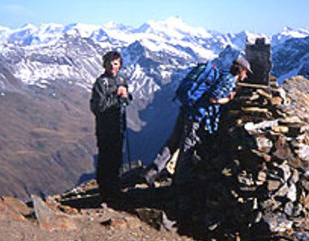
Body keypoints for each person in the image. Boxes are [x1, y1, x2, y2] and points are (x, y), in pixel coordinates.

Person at [142, 57, 252, 186]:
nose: (247, 76)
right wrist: (228, 99)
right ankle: (179, 183)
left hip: (187, 110)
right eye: (246, 72)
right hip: (197, 117)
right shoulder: (229, 80)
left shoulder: (222, 73)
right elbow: (213, 98)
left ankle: (151, 172)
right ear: (241, 70)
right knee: (187, 148)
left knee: (173, 142)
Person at [90, 50, 132, 201]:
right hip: (105, 128)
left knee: (116, 158)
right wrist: (117, 95)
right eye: (109, 63)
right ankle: (106, 191)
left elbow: (127, 99)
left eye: (115, 63)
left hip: (118, 126)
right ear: (104, 65)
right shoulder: (101, 83)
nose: (112, 67)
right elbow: (98, 107)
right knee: (106, 159)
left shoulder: (121, 80)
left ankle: (114, 188)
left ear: (120, 65)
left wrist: (125, 96)